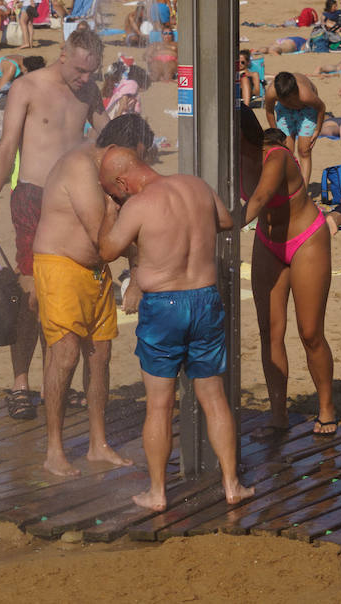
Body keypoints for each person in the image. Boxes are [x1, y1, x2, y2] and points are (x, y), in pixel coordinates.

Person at [96, 146, 253, 512]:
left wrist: (109, 213)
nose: (118, 197)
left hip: (164, 306)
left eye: (115, 192)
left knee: (160, 403)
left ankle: (157, 492)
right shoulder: (195, 185)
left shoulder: (137, 205)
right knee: (214, 398)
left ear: (122, 181)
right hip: (205, 299)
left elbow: (107, 250)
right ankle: (232, 485)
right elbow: (227, 221)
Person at [0, 27, 108, 420]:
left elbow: (109, 134)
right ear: (63, 54)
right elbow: (6, 147)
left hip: (73, 200)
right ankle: (20, 383)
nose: (85, 79)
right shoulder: (27, 88)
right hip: (32, 197)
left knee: (64, 291)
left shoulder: (89, 90)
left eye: (92, 72)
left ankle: (55, 384)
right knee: (32, 295)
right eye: (81, 71)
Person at [33, 114, 154, 476]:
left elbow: (123, 230)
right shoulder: (80, 166)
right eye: (133, 159)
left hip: (96, 272)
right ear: (116, 151)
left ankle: (98, 444)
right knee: (66, 355)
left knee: (100, 356)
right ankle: (54, 448)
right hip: (60, 266)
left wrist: (136, 275)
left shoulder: (108, 173)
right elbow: (105, 236)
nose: (134, 170)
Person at [241, 116, 337, 434]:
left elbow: (259, 198)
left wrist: (222, 228)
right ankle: (278, 413)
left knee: (310, 333)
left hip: (306, 238)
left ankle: (326, 407)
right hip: (268, 242)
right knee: (270, 332)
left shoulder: (277, 155)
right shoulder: (228, 158)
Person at [264, 70, 326, 185]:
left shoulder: (306, 95)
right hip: (284, 112)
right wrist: (276, 133)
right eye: (284, 100)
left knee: (304, 151)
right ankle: (289, 187)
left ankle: (304, 190)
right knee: (286, 150)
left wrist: (317, 130)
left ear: (295, 93)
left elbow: (321, 108)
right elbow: (269, 112)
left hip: (307, 110)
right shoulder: (272, 93)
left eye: (291, 100)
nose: (289, 103)